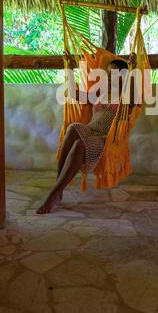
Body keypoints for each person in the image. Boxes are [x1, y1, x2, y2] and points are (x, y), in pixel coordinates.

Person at [36, 54, 136, 214]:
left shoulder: (127, 98)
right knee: (73, 127)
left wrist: (133, 70)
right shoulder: (102, 93)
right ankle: (58, 188)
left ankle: (54, 194)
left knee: (80, 144)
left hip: (106, 139)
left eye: (114, 74)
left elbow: (132, 97)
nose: (109, 77)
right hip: (89, 130)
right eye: (108, 73)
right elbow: (75, 95)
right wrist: (69, 68)